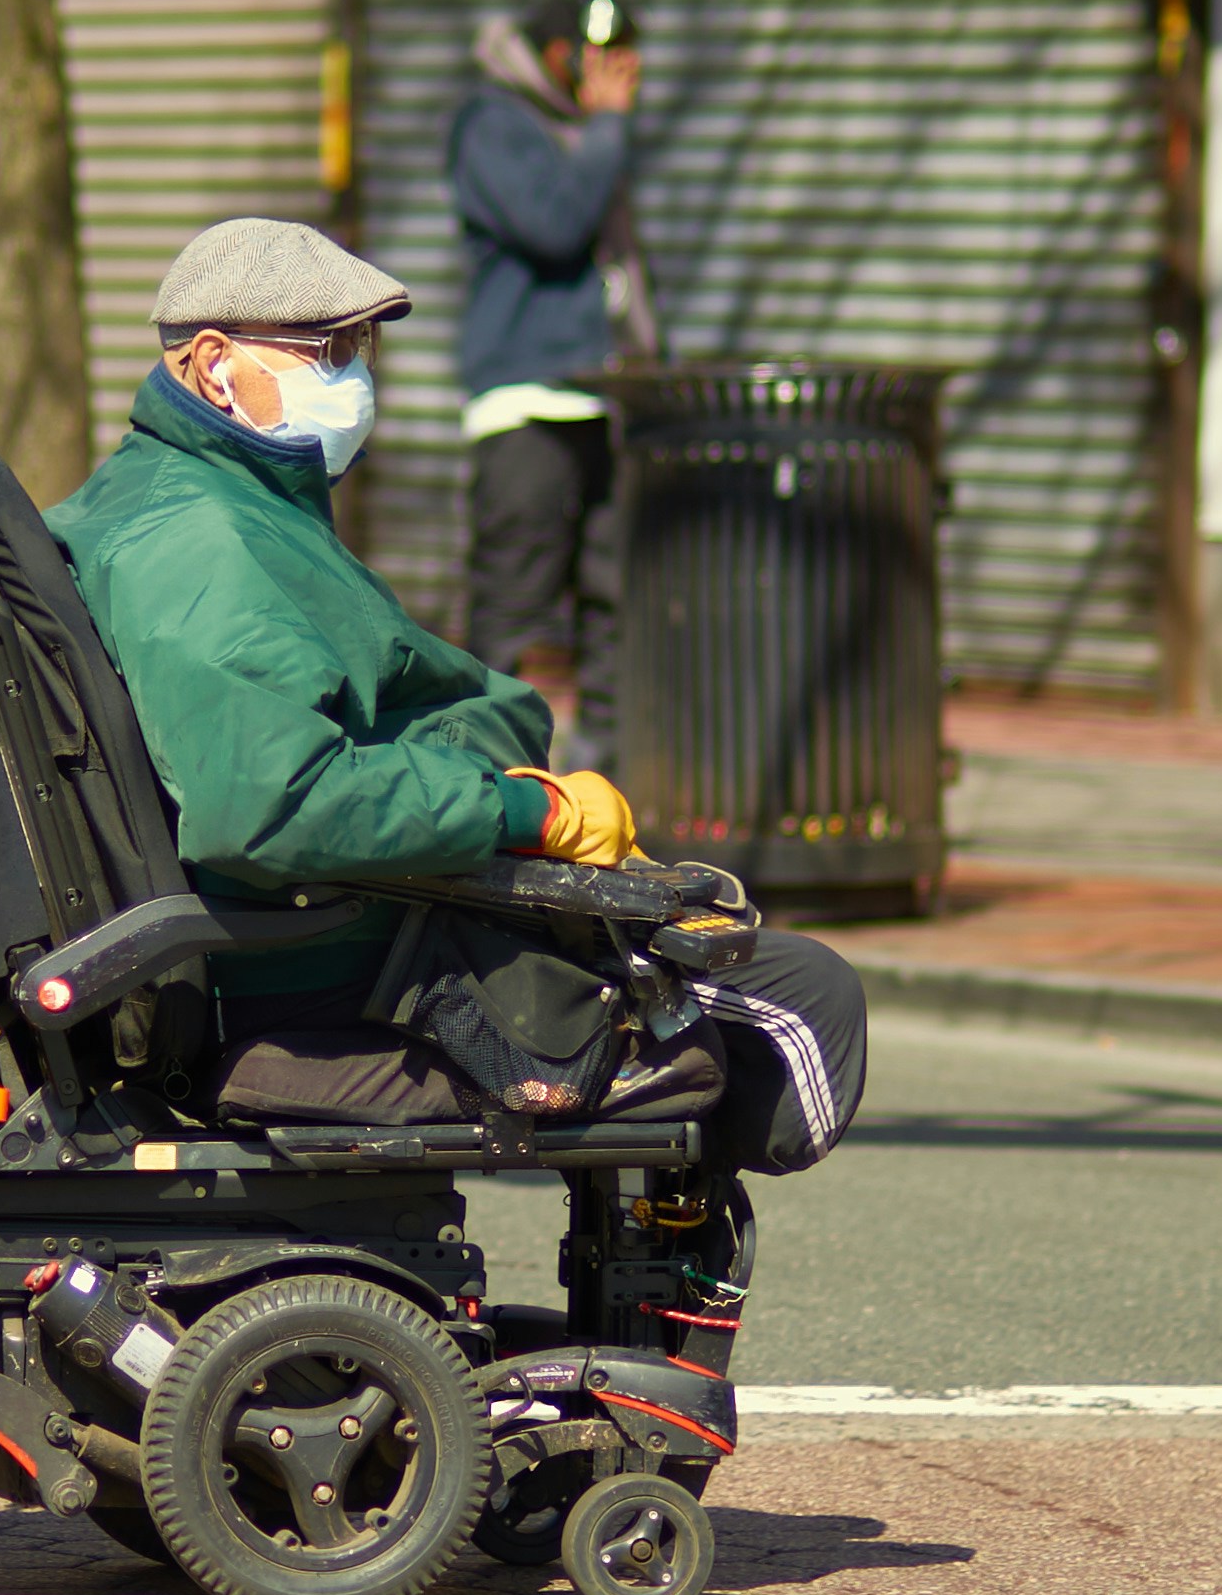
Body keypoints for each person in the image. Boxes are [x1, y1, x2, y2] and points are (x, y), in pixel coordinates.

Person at [51, 216, 862, 1171]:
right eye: (328, 350)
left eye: (364, 348)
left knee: (706, 950)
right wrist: (524, 810)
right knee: (806, 996)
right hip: (342, 950)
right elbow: (272, 804)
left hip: (357, 913)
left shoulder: (181, 497)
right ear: (214, 363)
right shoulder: (204, 545)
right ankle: (668, 1267)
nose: (355, 378)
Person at [443, 0, 657, 767]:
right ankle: (487, 786)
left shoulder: (583, 131)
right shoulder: (490, 123)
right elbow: (557, 224)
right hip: (528, 405)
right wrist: (606, 128)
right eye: (602, 59)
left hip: (605, 402)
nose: (618, 80)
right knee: (512, 610)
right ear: (560, 53)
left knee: (614, 605)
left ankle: (603, 789)